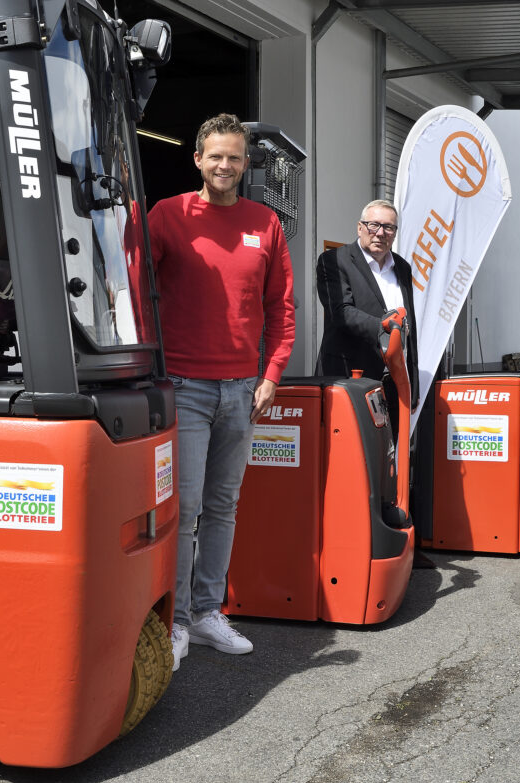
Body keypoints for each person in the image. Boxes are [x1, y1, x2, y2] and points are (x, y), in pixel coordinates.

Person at [147, 113, 295, 669]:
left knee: (222, 507)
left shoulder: (266, 224)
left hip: (242, 390)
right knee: (182, 511)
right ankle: (178, 620)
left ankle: (209, 613)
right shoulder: (168, 216)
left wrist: (272, 374)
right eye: (215, 156)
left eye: (234, 157)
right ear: (197, 160)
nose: (225, 166)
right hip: (182, 386)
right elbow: (135, 287)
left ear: (246, 163)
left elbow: (282, 307)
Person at [315, 199, 419, 411]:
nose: (381, 233)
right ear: (360, 227)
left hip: (395, 383)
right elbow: (341, 313)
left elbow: (411, 326)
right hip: (350, 381)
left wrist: (413, 382)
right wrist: (386, 327)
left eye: (389, 227)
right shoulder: (333, 260)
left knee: (394, 444)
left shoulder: (402, 267)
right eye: (374, 225)